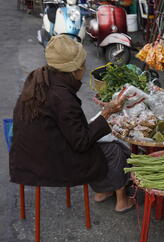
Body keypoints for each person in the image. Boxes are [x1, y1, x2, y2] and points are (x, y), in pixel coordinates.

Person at [9, 35, 134, 213]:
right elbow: (81, 143)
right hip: (49, 161)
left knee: (100, 138)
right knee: (114, 149)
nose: (84, 68)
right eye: (83, 64)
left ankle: (103, 190)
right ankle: (121, 200)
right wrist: (107, 112)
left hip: (26, 153)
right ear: (76, 69)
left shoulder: (39, 76)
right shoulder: (63, 97)